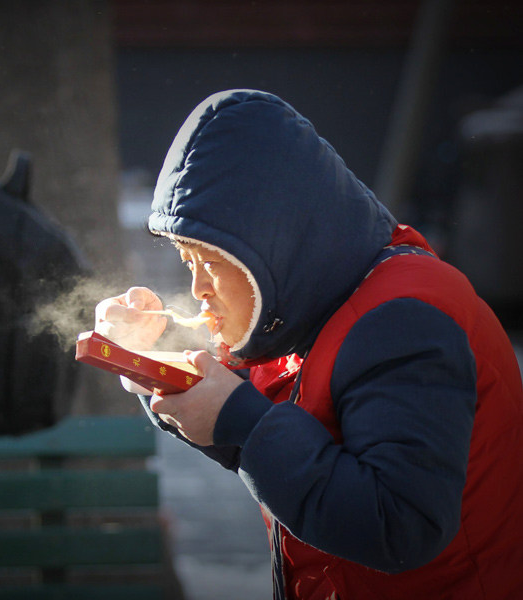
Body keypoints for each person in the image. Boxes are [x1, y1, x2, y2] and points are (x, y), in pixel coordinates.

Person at [95, 89, 523, 599]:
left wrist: (241, 422)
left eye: (208, 260)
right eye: (187, 264)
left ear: (271, 240)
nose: (197, 289)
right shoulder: (317, 308)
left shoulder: (404, 319)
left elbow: (399, 527)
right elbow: (268, 427)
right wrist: (149, 358)